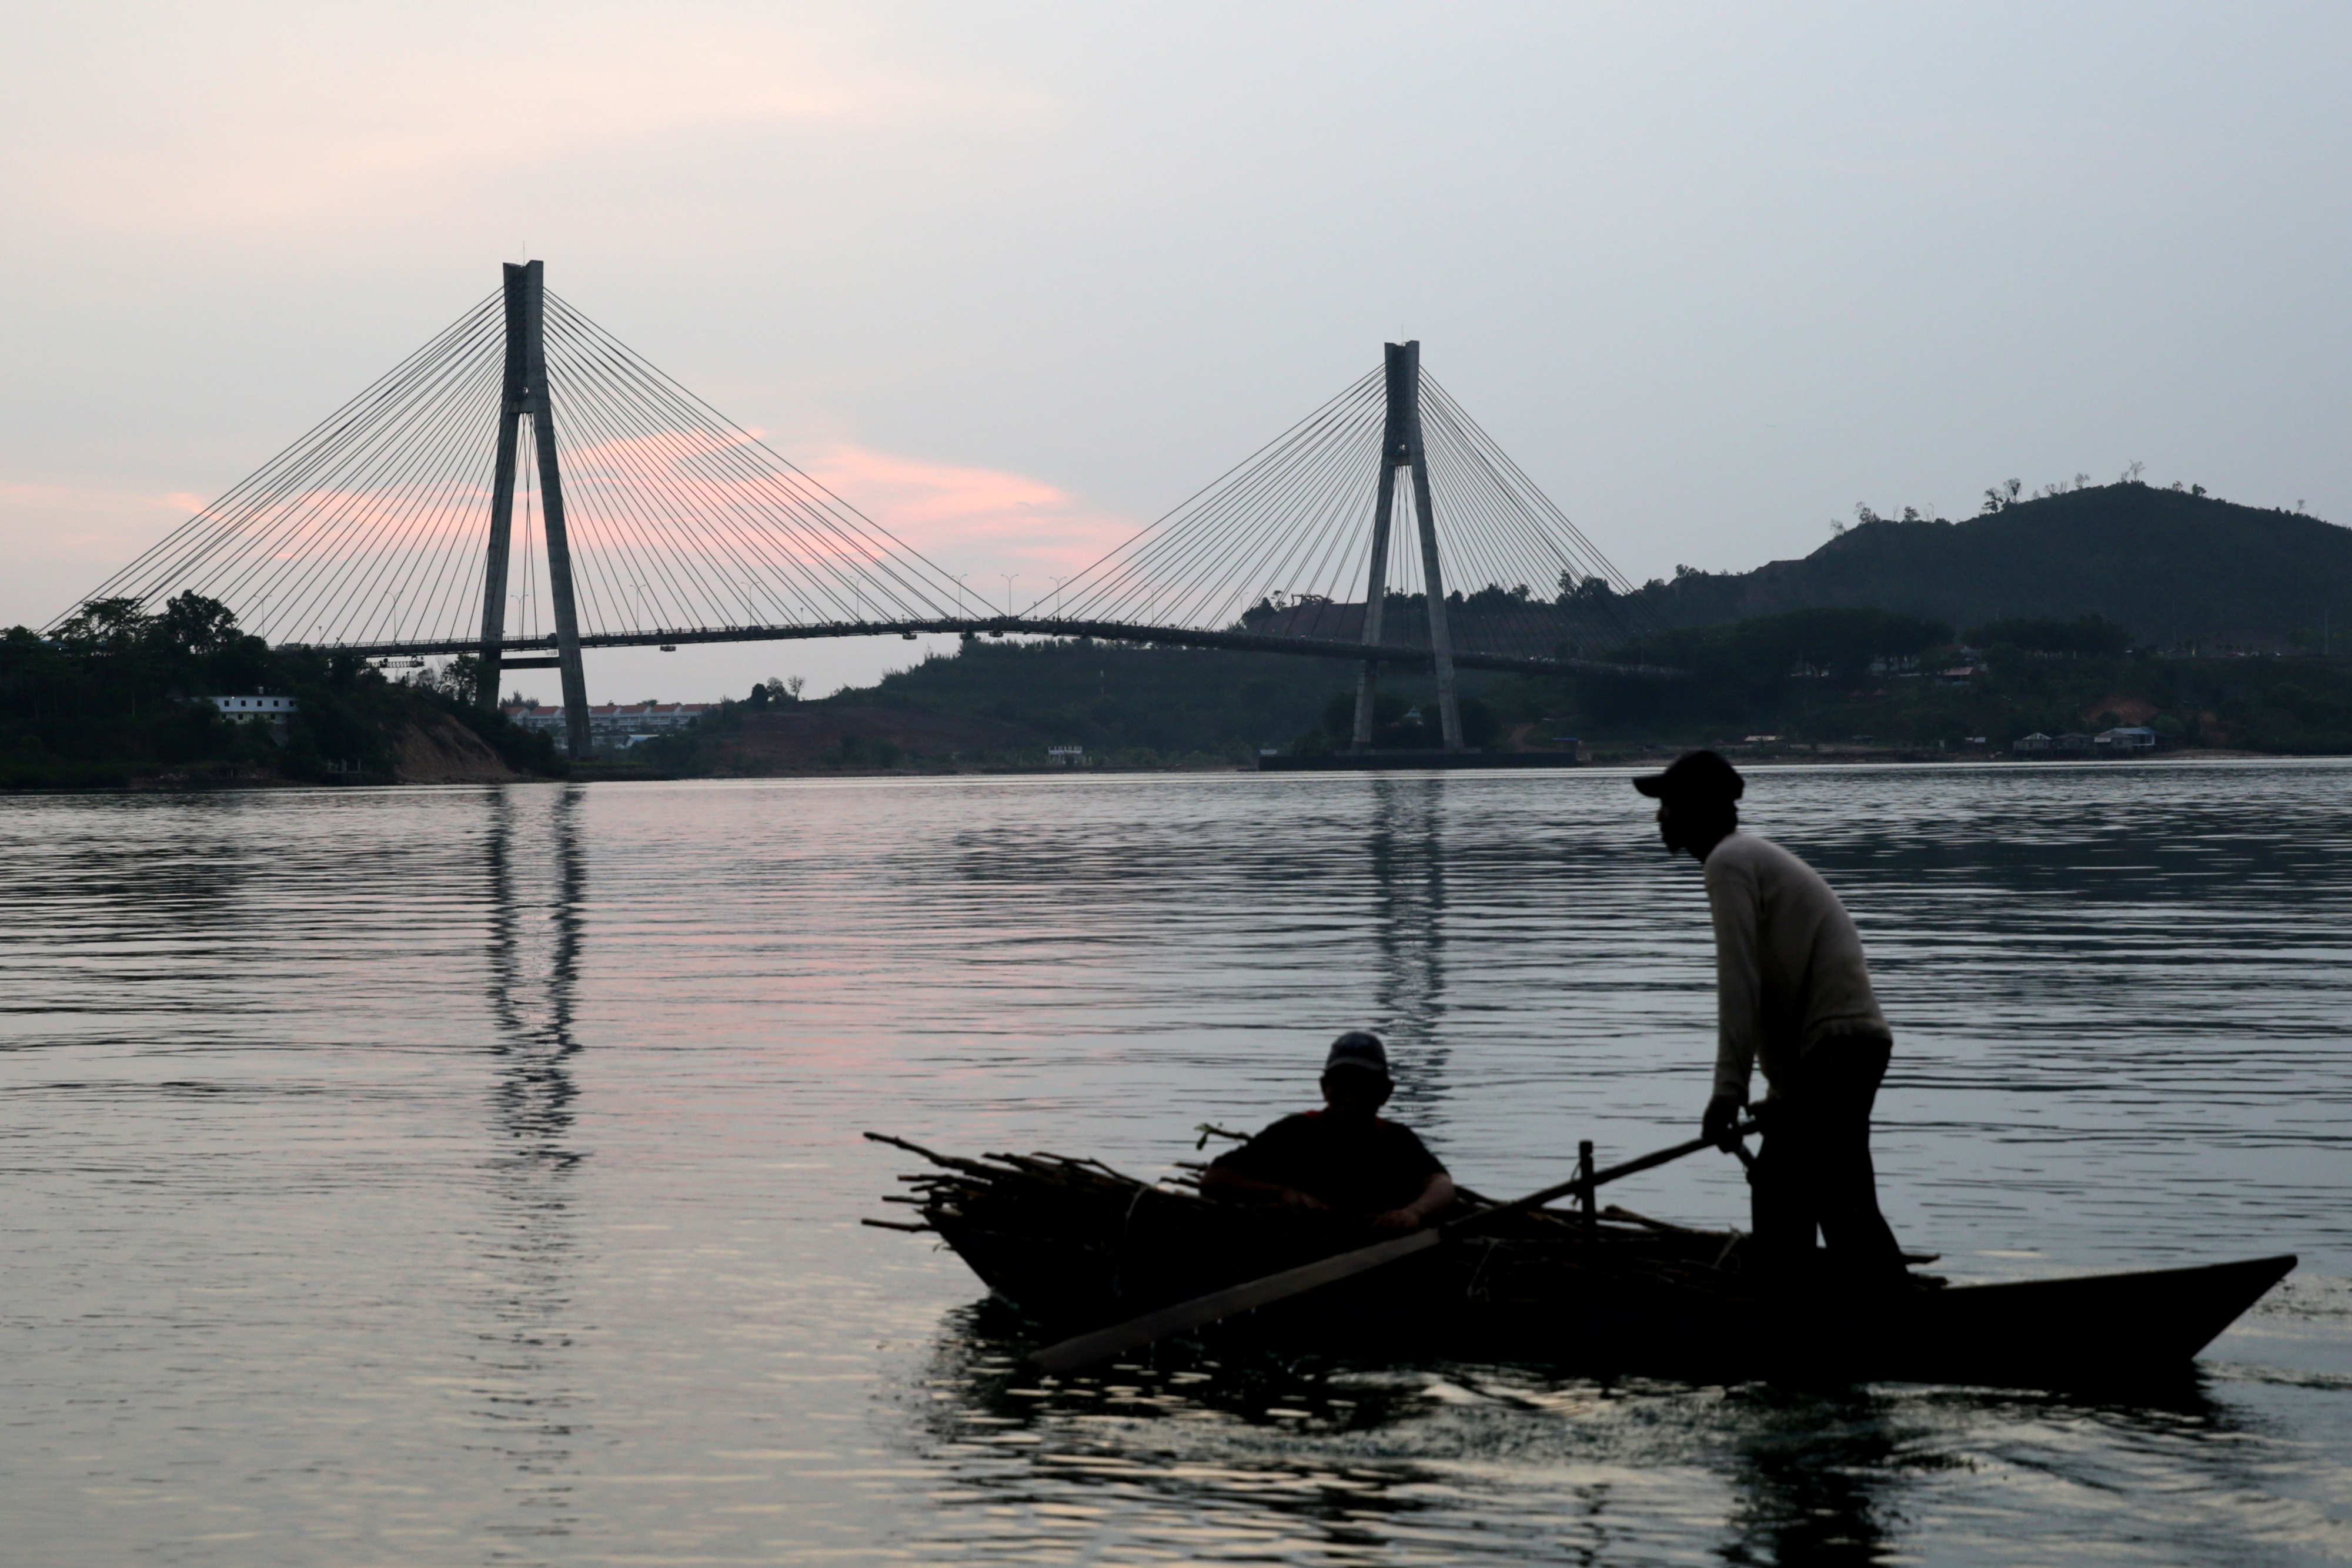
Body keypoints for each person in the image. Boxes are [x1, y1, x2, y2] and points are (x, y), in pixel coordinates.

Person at [1633, 750, 1906, 1278]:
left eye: (1667, 804)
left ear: (1694, 810)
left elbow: (1740, 982)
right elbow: (1776, 983)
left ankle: (1888, 1320)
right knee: (1790, 1192)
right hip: (1833, 1052)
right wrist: (1781, 1096)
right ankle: (1811, 1318)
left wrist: (1727, 1091)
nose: (1659, 816)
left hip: (1837, 1048)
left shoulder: (1729, 862)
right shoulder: (1746, 858)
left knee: (1832, 1197)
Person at [1201, 1032, 1456, 1231]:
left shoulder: (1396, 1140)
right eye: (1342, 1082)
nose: (1352, 1094)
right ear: (1325, 1088)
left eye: (1364, 1084)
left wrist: (1414, 1212)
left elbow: (1442, 1185)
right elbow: (1215, 1179)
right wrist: (1283, 1193)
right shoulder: (1295, 1133)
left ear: (1385, 1092)